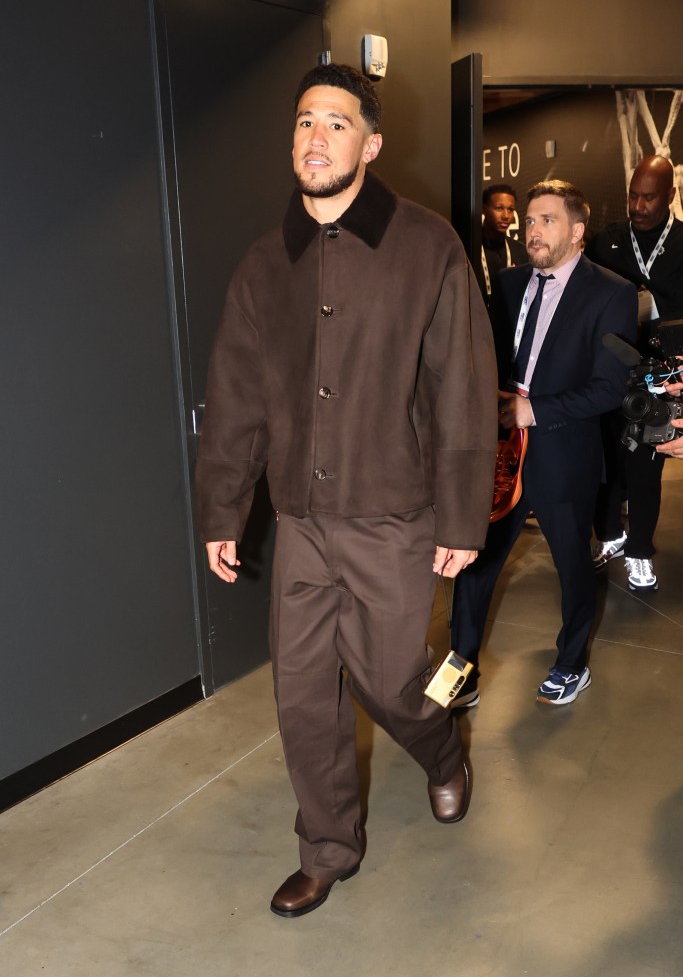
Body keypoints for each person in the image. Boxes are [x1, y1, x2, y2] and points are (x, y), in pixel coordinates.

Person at [195, 63, 498, 918]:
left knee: (394, 682)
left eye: (334, 122)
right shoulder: (263, 265)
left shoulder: (426, 245)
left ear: (368, 143)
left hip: (395, 517)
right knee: (300, 695)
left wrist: (460, 513)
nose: (313, 136)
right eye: (302, 121)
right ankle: (328, 847)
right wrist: (225, 507)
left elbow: (462, 388)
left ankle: (442, 750)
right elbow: (236, 396)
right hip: (300, 522)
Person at [450, 180, 638, 708]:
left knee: (573, 566)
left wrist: (534, 410)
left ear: (577, 231)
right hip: (501, 455)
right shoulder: (508, 285)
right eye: (530, 220)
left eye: (547, 220)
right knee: (474, 559)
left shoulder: (611, 293)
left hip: (563, 456)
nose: (532, 230)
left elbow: (610, 386)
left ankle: (571, 663)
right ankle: (461, 670)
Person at [586, 155, 683, 591]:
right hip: (610, 368)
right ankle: (611, 533)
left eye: (649, 197)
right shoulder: (605, 240)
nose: (639, 205)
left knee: (645, 466)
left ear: (670, 196)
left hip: (663, 374)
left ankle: (640, 551)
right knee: (604, 458)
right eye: (633, 196)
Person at [480, 184, 528, 300]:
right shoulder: (469, 249)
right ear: (484, 209)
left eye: (510, 209)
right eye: (499, 208)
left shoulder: (520, 251)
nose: (506, 216)